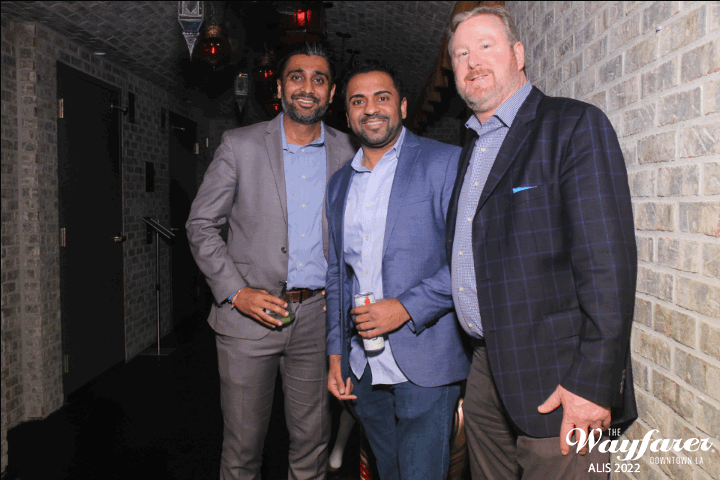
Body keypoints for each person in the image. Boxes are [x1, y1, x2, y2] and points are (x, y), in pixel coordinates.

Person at [445, 5, 638, 479]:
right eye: (460, 54)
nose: (472, 61)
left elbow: (608, 266)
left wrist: (592, 384)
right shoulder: (472, 146)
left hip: (559, 377)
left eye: (485, 46)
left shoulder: (572, 125)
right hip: (487, 370)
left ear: (518, 54)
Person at [186, 43, 355, 480]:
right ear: (279, 88)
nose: (307, 87)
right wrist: (236, 293)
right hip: (248, 320)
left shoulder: (348, 151)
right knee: (243, 450)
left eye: (319, 79)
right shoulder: (239, 145)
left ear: (331, 92)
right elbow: (201, 225)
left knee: (312, 444)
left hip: (317, 318)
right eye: (297, 77)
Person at [325, 61, 471, 480]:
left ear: (403, 107)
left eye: (382, 98)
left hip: (426, 359)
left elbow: (468, 257)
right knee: (387, 471)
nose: (371, 109)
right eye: (358, 101)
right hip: (363, 365)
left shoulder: (446, 162)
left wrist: (405, 307)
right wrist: (335, 354)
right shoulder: (339, 184)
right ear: (348, 115)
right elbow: (338, 276)